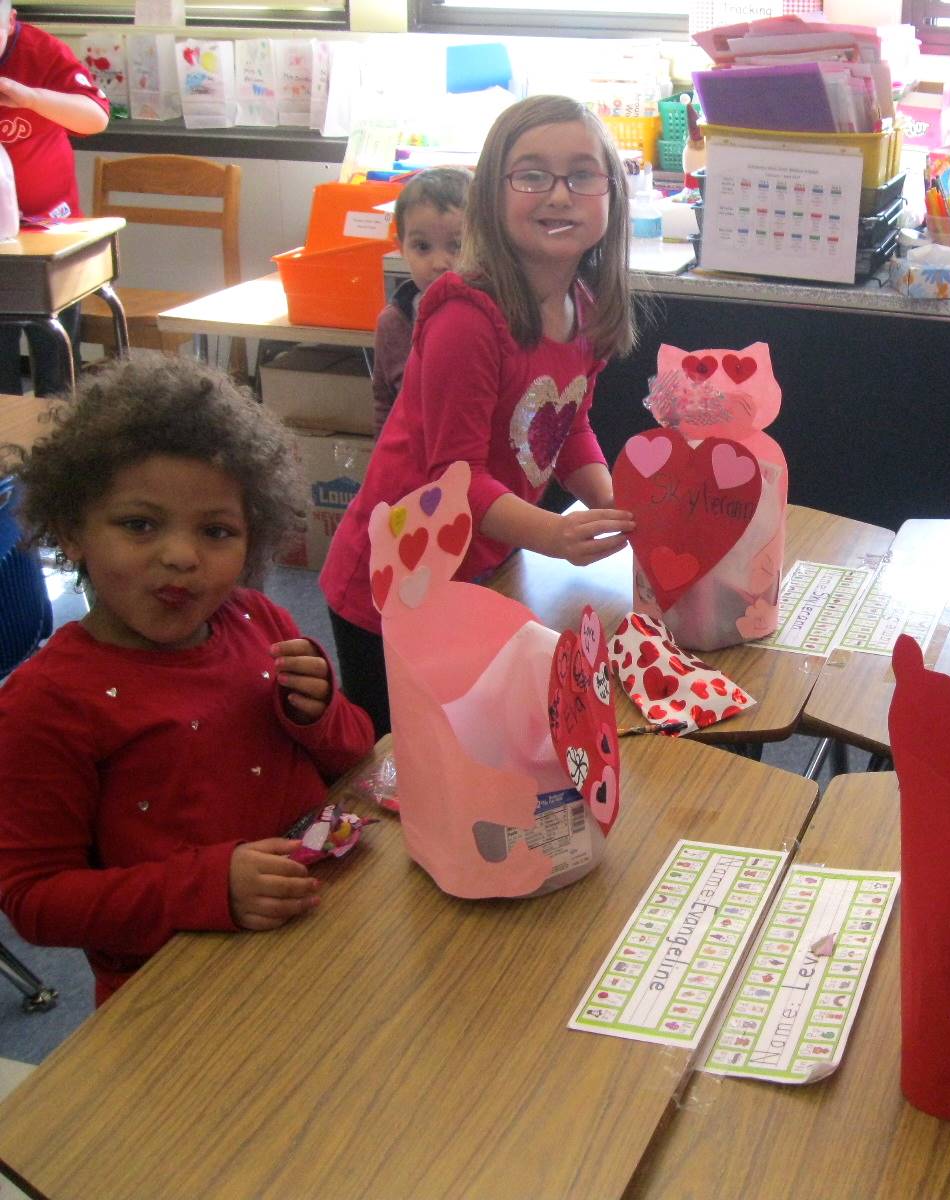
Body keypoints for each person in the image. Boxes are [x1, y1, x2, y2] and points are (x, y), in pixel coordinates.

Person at [0, 356, 375, 1006]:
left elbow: (354, 755)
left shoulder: (262, 620)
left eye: (216, 530)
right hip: (177, 993)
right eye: (139, 524)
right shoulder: (45, 703)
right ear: (71, 529)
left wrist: (321, 715)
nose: (181, 554)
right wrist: (207, 888)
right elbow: (36, 901)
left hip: (318, 939)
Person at [320, 95, 636, 737]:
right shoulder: (466, 316)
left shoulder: (582, 307)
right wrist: (553, 534)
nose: (558, 194)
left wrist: (614, 503)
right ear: (492, 194)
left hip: (484, 565)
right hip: (393, 585)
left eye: (582, 174)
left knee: (475, 747)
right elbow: (453, 476)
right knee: (399, 765)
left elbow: (566, 428)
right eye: (530, 175)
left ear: (612, 196)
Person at [0, 0, 111, 398]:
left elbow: (95, 117)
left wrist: (29, 97)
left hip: (51, 227)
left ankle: (59, 440)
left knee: (56, 360)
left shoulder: (41, 50)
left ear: (11, 23)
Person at [373, 166, 469, 432]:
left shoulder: (494, 315)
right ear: (400, 247)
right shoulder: (394, 323)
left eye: (456, 246)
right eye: (422, 247)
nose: (440, 263)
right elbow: (385, 403)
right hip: (413, 459)